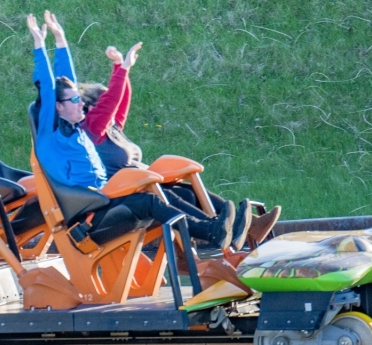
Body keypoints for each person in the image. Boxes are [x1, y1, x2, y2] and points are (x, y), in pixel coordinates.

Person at [27, 13, 234, 248]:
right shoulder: (50, 135)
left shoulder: (77, 130)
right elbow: (47, 85)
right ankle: (209, 231)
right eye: (74, 99)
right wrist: (39, 44)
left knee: (159, 195)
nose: (80, 102)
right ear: (58, 107)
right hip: (88, 215)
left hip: (104, 198)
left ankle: (214, 225)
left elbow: (67, 78)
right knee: (149, 202)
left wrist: (61, 39)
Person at [79, 45, 281, 249]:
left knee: (188, 192)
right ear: (94, 108)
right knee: (172, 196)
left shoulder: (113, 128)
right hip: (128, 194)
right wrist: (122, 68)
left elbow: (120, 101)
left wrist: (119, 66)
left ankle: (249, 226)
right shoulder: (93, 129)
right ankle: (213, 231)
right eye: (106, 105)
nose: (113, 109)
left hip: (143, 184)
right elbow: (112, 101)